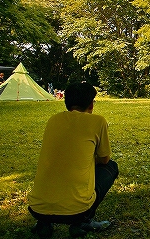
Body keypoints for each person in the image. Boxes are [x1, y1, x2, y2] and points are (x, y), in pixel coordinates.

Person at [28, 82, 119, 238]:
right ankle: (82, 222)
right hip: (77, 211)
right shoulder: (98, 121)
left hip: (36, 209)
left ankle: (44, 224)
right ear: (91, 104)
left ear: (66, 103)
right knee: (111, 167)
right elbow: (104, 159)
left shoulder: (53, 120)